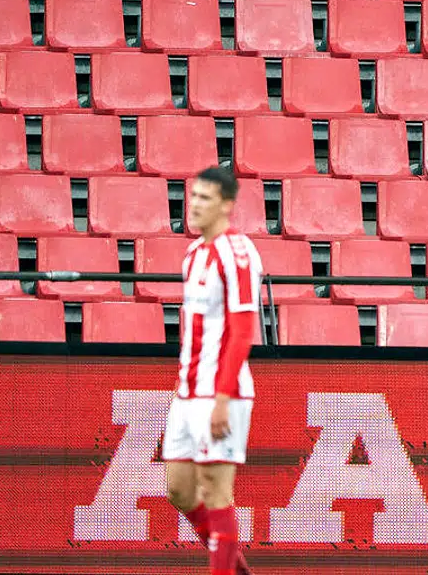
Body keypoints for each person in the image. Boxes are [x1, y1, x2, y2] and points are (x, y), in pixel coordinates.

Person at [163, 166, 262, 575]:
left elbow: (242, 332)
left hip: (223, 393)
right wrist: (179, 384)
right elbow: (190, 326)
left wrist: (222, 399)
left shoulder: (236, 252)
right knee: (179, 490)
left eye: (205, 198)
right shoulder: (192, 254)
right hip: (188, 391)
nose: (195, 205)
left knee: (217, 493)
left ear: (225, 205)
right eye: (193, 196)